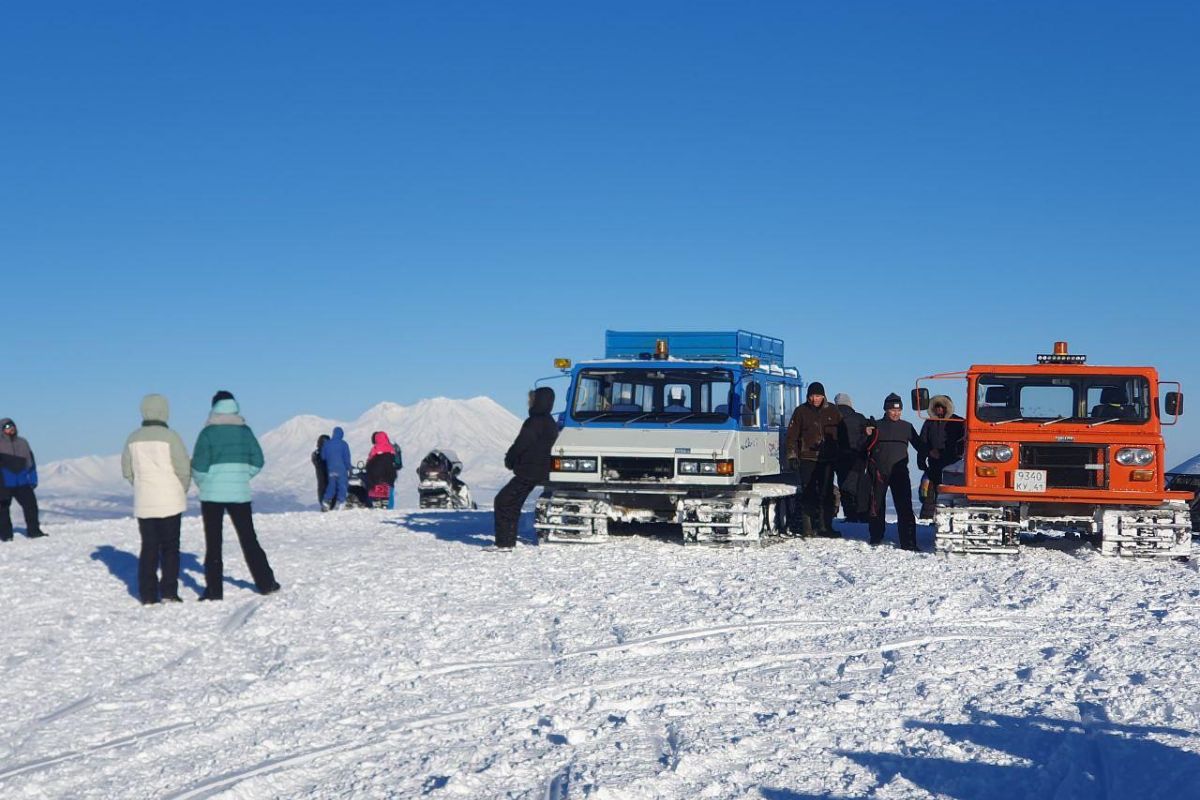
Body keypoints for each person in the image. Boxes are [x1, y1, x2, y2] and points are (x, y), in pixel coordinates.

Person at [191, 391, 279, 599]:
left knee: (213, 542)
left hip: (212, 495)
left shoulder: (208, 433)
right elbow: (257, 460)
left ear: (214, 407)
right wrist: (242, 476)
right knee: (249, 538)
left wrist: (205, 482)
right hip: (240, 493)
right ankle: (266, 582)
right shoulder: (245, 431)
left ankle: (214, 590)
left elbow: (199, 465)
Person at [121, 394, 191, 604]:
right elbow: (183, 468)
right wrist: (181, 489)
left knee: (149, 547)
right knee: (170, 547)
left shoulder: (132, 438)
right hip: (171, 499)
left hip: (145, 502)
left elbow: (127, 470)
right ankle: (169, 591)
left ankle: (148, 594)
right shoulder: (171, 437)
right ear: (164, 411)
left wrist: (141, 486)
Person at [493, 387, 558, 550]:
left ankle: (504, 543)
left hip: (529, 471)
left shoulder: (535, 422)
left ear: (538, 401)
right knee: (512, 503)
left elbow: (522, 443)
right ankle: (507, 541)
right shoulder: (549, 421)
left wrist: (510, 458)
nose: (528, 403)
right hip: (538, 470)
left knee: (503, 501)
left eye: (531, 399)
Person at [864, 393, 925, 551]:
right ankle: (876, 536)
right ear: (886, 410)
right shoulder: (876, 426)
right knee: (877, 505)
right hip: (879, 471)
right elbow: (862, 446)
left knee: (905, 507)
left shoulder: (906, 427)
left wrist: (930, 453)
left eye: (899, 410)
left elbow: (919, 446)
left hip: (899, 472)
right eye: (892, 410)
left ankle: (909, 542)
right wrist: (866, 434)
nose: (896, 413)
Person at [784, 382, 843, 537]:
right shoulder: (801, 412)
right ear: (808, 396)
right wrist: (792, 455)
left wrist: (841, 454)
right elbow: (791, 436)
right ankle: (807, 528)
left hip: (828, 458)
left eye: (818, 395)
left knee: (827, 493)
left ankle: (826, 527)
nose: (815, 399)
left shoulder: (833, 411)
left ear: (823, 396)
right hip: (807, 459)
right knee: (808, 492)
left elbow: (843, 435)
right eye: (812, 395)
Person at [917, 395, 966, 520]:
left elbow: (964, 441)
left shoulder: (958, 422)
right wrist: (926, 455)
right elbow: (922, 442)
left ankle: (953, 519)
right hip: (934, 465)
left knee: (951, 495)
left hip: (953, 466)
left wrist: (955, 453)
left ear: (947, 408)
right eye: (936, 407)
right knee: (929, 494)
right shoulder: (929, 423)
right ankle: (927, 519)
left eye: (942, 407)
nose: (939, 409)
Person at [0, 418, 45, 541]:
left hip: (22, 481)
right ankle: (6, 535)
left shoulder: (23, 442)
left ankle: (34, 531)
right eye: (7, 427)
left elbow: (31, 462)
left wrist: (33, 478)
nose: (10, 429)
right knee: (3, 510)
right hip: (4, 483)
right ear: (2, 429)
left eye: (12, 426)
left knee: (31, 506)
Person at [833, 393, 870, 523]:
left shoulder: (832, 417)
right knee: (859, 486)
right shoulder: (859, 418)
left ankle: (850, 514)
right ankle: (862, 514)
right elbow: (868, 436)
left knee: (843, 485)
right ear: (850, 403)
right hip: (858, 457)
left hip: (839, 457)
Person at [365, 431, 399, 508]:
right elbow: (396, 462)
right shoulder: (391, 449)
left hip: (377, 476)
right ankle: (389, 508)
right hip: (390, 476)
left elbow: (369, 461)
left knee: (373, 489)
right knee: (390, 492)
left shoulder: (375, 449)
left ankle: (375, 502)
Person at [320, 427, 352, 511]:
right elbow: (346, 458)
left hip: (331, 468)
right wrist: (349, 468)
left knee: (331, 485)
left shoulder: (327, 444)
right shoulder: (343, 444)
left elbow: (323, 457)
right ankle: (341, 502)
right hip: (341, 468)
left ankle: (326, 501)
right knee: (342, 485)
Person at [312, 434, 331, 508]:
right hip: (323, 475)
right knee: (323, 485)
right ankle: (325, 504)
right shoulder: (317, 454)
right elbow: (318, 464)